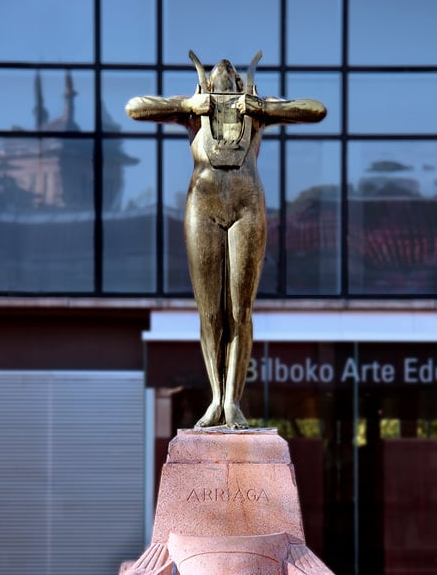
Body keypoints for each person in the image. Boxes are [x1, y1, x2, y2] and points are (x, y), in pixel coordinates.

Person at [126, 51, 327, 429]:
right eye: (220, 72)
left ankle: (232, 402)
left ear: (240, 83)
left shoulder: (255, 111)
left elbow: (316, 110)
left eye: (232, 72)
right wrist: (188, 103)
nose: (225, 70)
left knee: (240, 309)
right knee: (210, 312)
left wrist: (263, 105)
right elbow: (134, 107)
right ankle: (216, 398)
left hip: (247, 205)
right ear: (204, 81)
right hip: (202, 205)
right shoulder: (195, 111)